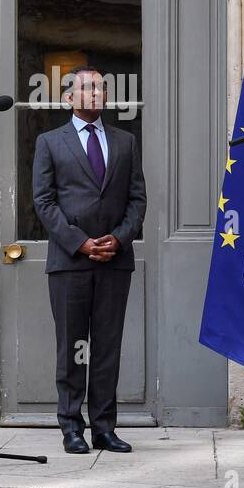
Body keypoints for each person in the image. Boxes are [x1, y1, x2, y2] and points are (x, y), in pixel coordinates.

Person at [32, 67, 147, 455]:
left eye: (101, 87)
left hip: (115, 261)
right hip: (70, 263)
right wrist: (81, 243)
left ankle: (104, 427)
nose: (96, 93)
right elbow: (44, 203)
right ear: (69, 97)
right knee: (73, 346)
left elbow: (137, 200)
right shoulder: (50, 143)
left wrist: (119, 237)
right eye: (87, 87)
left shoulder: (126, 142)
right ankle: (71, 427)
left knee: (106, 348)